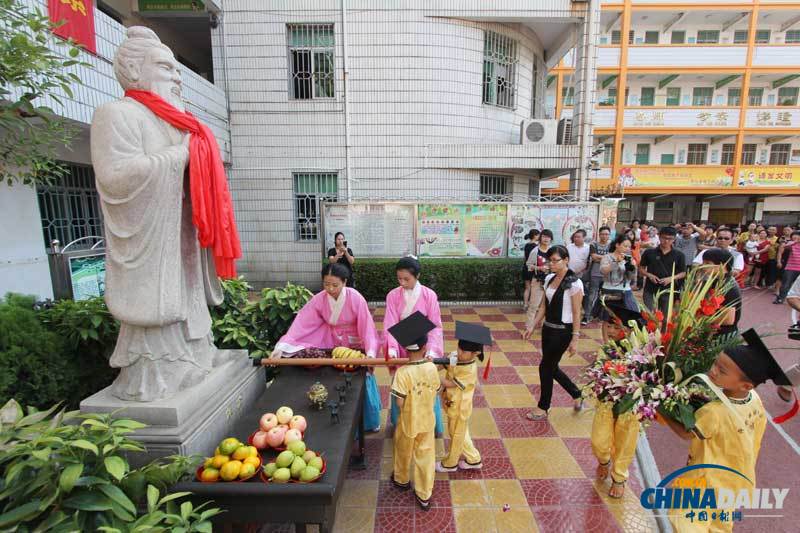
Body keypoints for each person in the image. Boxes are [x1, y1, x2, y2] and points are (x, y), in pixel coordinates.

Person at [90, 26, 242, 402]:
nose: (176, 77)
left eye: (177, 70)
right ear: (134, 70)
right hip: (152, 237)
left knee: (188, 296)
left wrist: (199, 157)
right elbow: (115, 178)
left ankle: (197, 354)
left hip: (183, 232)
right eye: (165, 68)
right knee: (164, 302)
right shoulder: (118, 115)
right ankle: (160, 371)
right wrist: (180, 157)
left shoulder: (179, 122)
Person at [660, 329, 792, 533]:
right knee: (720, 524)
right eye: (715, 363)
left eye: (721, 371)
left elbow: (686, 434)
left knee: (686, 523)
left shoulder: (715, 411)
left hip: (703, 482)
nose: (712, 371)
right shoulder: (756, 400)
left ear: (746, 385)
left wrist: (662, 412)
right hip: (734, 481)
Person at [271, 263, 382, 431]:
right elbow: (303, 322)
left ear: (345, 282)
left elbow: (367, 327)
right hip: (331, 342)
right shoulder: (320, 299)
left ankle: (369, 422)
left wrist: (371, 353)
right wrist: (282, 345)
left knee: (360, 381)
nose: (330, 289)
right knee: (334, 381)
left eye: (335, 285)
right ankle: (339, 424)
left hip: (354, 344)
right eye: (326, 284)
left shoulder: (355, 298)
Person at [383, 256, 444, 435]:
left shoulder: (429, 295)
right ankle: (400, 422)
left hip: (422, 346)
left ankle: (430, 424)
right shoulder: (393, 295)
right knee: (401, 382)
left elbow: (435, 325)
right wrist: (392, 349)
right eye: (399, 278)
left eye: (406, 279)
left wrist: (432, 350)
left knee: (424, 385)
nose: (402, 282)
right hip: (402, 346)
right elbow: (389, 324)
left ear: (417, 276)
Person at [523, 245, 584, 420]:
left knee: (545, 367)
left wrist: (575, 338)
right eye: (550, 260)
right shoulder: (549, 278)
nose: (552, 264)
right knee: (552, 367)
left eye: (555, 260)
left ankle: (544, 406)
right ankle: (576, 393)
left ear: (566, 260)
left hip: (563, 332)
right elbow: (543, 306)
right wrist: (532, 326)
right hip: (548, 329)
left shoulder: (574, 283)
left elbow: (576, 312)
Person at [592, 304, 646, 499]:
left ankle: (619, 478)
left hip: (629, 406)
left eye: (617, 327)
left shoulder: (642, 350)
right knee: (599, 440)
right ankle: (604, 460)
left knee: (625, 443)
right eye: (609, 326)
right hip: (607, 402)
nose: (612, 331)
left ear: (630, 329)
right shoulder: (606, 350)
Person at [389, 312, 442, 511]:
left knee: (403, 449)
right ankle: (424, 494)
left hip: (407, 422)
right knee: (425, 455)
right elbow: (436, 391)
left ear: (405, 349)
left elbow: (400, 404)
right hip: (427, 421)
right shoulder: (431, 368)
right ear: (425, 347)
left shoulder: (403, 373)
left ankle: (402, 480)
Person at [436, 321, 493, 473]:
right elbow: (445, 363)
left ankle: (451, 463)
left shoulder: (470, 370)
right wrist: (433, 365)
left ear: (476, 353)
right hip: (451, 403)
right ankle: (474, 459)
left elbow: (449, 383)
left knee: (457, 436)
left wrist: (433, 376)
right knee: (458, 433)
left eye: (464, 351)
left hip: (460, 407)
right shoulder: (456, 356)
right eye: (459, 348)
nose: (460, 353)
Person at [599, 234, 640, 341]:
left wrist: (631, 266)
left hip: (625, 291)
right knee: (607, 318)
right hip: (609, 291)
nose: (627, 249)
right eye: (625, 246)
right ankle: (606, 343)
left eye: (629, 247)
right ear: (617, 245)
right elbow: (603, 271)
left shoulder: (629, 259)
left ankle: (624, 341)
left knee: (628, 317)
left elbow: (632, 278)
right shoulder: (607, 257)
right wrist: (616, 262)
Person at [639, 226, 686, 316]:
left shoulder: (679, 255)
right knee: (648, 315)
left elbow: (683, 273)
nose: (666, 241)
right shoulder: (649, 252)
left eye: (670, 239)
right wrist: (649, 275)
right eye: (664, 238)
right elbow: (641, 268)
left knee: (666, 316)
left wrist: (671, 278)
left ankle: (663, 330)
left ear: (674, 239)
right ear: (659, 237)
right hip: (650, 289)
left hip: (668, 290)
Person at [700, 248, 741, 337]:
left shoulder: (728, 286)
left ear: (723, 265)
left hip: (721, 336)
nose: (702, 266)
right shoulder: (716, 280)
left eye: (707, 263)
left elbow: (728, 319)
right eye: (703, 262)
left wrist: (700, 319)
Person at [584, 226, 612, 325]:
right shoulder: (593, 244)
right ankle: (587, 316)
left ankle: (601, 316)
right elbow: (594, 257)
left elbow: (613, 258)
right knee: (592, 295)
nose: (604, 236)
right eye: (603, 234)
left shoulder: (612, 245)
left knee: (605, 296)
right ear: (599, 234)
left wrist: (603, 258)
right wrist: (608, 257)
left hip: (607, 275)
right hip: (595, 274)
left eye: (607, 234)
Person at [525, 229, 553, 317]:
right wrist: (539, 267)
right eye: (544, 236)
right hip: (538, 280)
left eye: (548, 237)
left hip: (551, 281)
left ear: (551, 239)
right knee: (533, 306)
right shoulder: (535, 251)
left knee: (547, 306)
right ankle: (529, 327)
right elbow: (529, 265)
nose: (546, 239)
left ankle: (544, 326)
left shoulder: (553, 251)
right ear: (540, 238)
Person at [775, 230, 800, 304]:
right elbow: (785, 247)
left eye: (798, 235)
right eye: (794, 235)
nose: (795, 236)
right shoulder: (790, 243)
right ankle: (780, 299)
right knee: (786, 284)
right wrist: (795, 242)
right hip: (790, 268)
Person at [522, 229, 540, 310]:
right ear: (535, 235)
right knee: (534, 288)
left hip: (526, 268)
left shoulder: (526, 245)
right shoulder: (536, 247)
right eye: (538, 235)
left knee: (527, 288)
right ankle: (533, 306)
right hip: (533, 268)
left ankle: (525, 304)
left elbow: (525, 258)